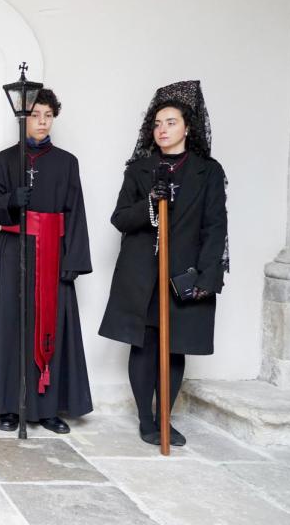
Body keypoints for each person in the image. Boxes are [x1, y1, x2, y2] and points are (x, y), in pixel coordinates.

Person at [99, 80, 228, 446]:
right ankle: (146, 420)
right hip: (141, 275)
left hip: (184, 274)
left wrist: (207, 277)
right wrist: (150, 206)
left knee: (175, 345)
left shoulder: (208, 171)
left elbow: (216, 227)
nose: (162, 130)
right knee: (144, 345)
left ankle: (164, 420)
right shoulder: (139, 170)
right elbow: (120, 218)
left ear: (188, 128)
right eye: (157, 124)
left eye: (171, 123)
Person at [0, 88, 93, 434]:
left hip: (53, 253)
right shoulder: (3, 160)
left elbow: (75, 213)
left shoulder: (67, 162)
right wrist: (11, 200)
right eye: (35, 115)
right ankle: (9, 406)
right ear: (23, 118)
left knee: (52, 325)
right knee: (13, 325)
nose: (42, 122)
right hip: (15, 251)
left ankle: (48, 408)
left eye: (48, 115)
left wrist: (73, 260)